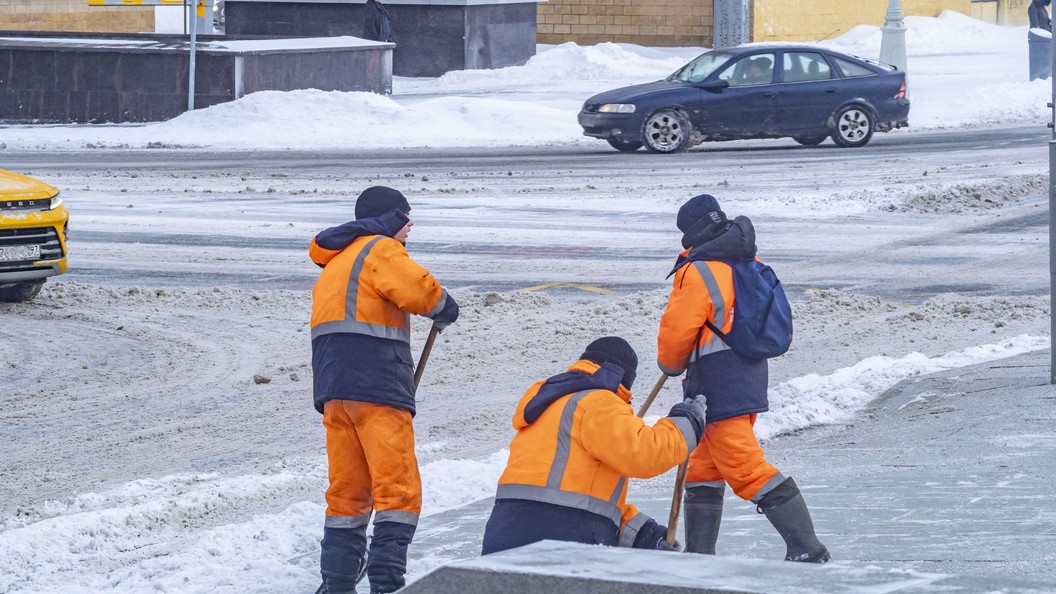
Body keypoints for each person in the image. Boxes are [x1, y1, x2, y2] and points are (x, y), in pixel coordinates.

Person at [656, 194, 830, 564]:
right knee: (703, 464)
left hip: (716, 382)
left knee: (743, 464)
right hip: (747, 373)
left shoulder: (699, 269)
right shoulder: (746, 257)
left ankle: (807, 547)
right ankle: (701, 554)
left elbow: (677, 328)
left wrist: (670, 364)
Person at [310, 186, 460, 594]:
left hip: (334, 391)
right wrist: (446, 307)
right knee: (398, 490)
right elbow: (420, 291)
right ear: (389, 218)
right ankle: (387, 584)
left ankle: (337, 584)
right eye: (405, 216)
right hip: (376, 385)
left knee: (347, 494)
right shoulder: (380, 249)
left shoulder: (337, 261)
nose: (411, 225)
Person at [480, 336, 707, 555]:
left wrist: (645, 536)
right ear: (624, 379)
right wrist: (686, 423)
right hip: (560, 540)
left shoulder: (548, 406)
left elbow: (585, 499)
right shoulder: (597, 402)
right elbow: (645, 453)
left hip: (504, 536)